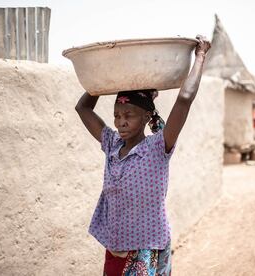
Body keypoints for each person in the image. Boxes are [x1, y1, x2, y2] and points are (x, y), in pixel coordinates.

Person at [75, 35, 211, 275]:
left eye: (129, 114)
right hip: (115, 246)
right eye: (117, 115)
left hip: (146, 248)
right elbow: (83, 108)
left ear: (147, 116)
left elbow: (185, 99)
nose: (121, 122)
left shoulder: (157, 148)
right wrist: (105, 74)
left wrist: (200, 56)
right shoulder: (112, 144)